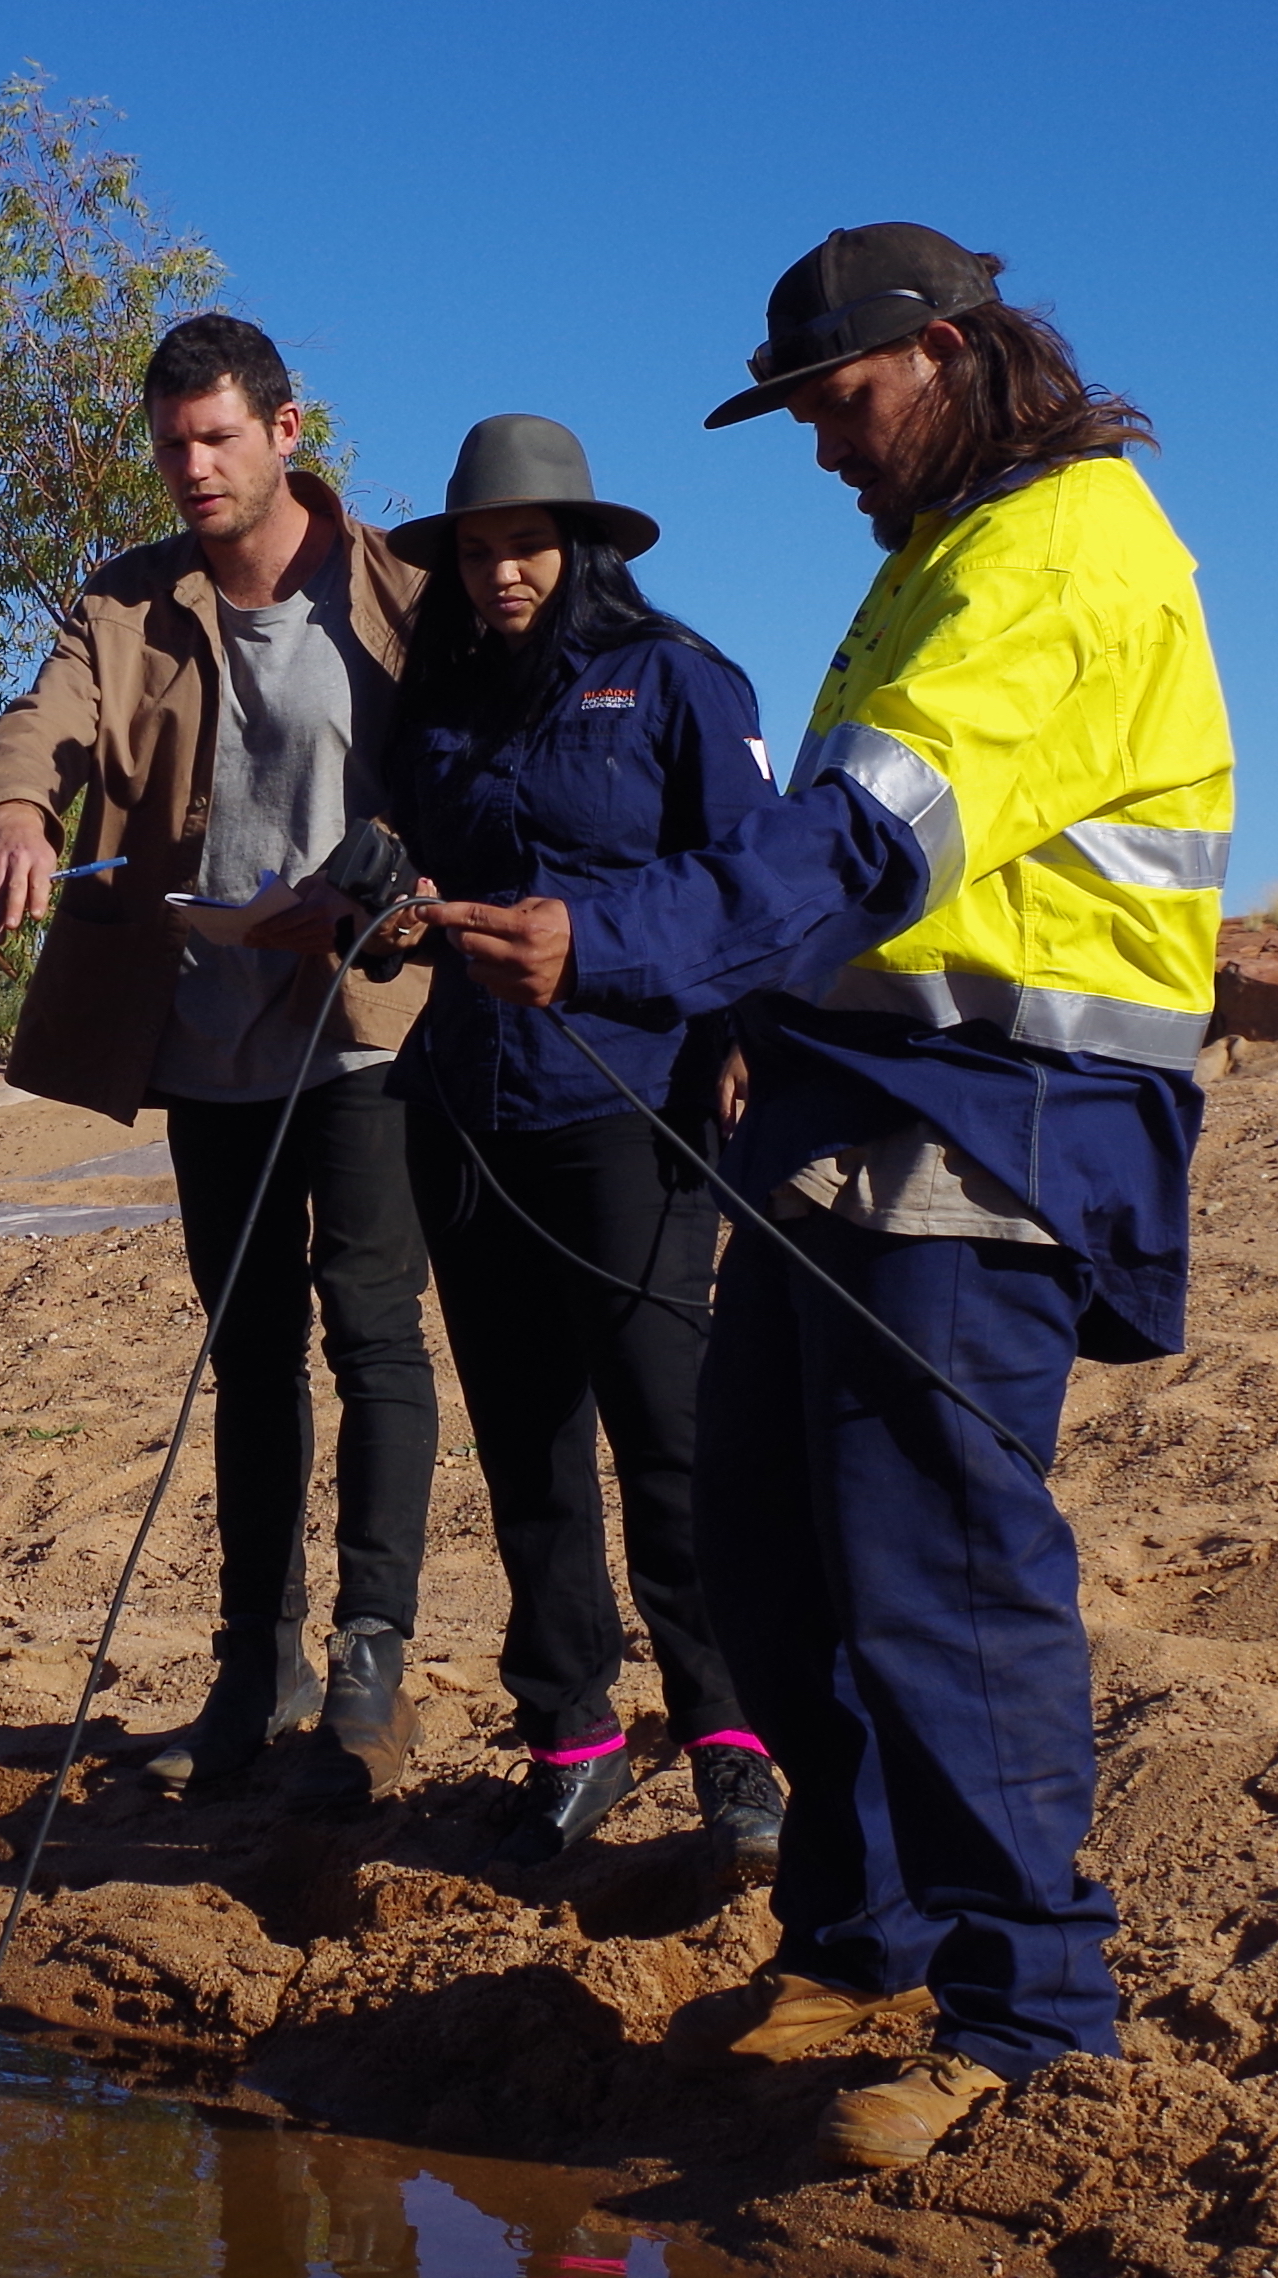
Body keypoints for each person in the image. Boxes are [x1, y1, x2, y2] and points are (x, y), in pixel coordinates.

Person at [418, 226, 1232, 2166]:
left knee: (935, 1576)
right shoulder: (938, 556)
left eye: (835, 401)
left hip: (991, 1130)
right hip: (839, 1128)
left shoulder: (1058, 557)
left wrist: (602, 943)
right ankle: (860, 1940)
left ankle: (1029, 2017)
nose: (819, 445)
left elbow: (856, 852)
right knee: (770, 1558)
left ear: (941, 354)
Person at [0, 312, 438, 1804]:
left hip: (364, 1023)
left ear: (286, 430)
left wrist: (371, 897)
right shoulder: (123, 599)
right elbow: (38, 725)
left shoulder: (398, 589)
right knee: (249, 1353)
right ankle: (256, 1664)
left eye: (218, 436)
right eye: (172, 443)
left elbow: (457, 777)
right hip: (208, 1032)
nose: (193, 466)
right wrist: (18, 812)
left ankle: (369, 1660)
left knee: (372, 1335)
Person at [379, 415, 785, 1873]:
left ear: (581, 546)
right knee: (525, 1440)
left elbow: (747, 875)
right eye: (476, 551)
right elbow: (407, 854)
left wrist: (742, 1034)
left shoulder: (675, 676)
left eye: (526, 545)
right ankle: (571, 1733)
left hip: (632, 1103)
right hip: (466, 1111)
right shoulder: (436, 701)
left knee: (667, 1432)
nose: (499, 572)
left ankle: (731, 1734)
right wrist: (390, 899)